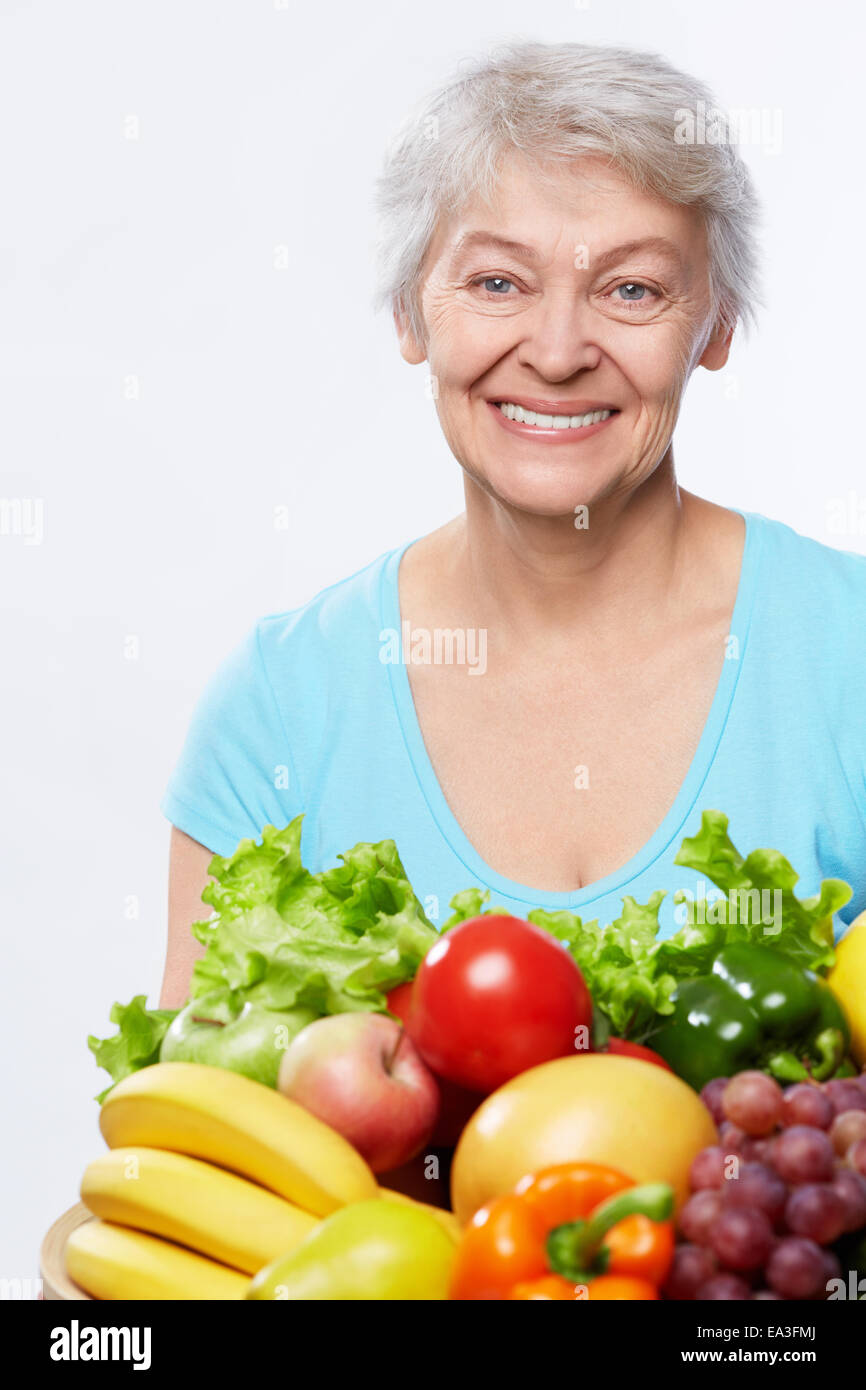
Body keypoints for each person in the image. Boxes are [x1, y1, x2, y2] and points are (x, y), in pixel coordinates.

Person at [160, 40, 866, 1011]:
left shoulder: (848, 656)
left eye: (630, 289)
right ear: (411, 312)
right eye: (497, 283)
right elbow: (194, 1123)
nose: (558, 351)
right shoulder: (279, 707)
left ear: (717, 324)